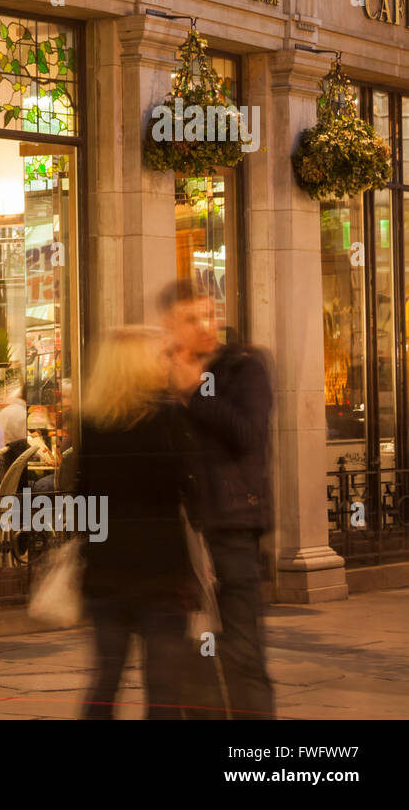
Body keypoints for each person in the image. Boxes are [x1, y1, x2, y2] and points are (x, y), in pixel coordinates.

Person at [160, 279, 276, 719]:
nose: (205, 324)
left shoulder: (243, 366)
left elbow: (246, 435)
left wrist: (195, 391)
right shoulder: (165, 371)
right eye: (191, 318)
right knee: (193, 655)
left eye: (210, 313)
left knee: (243, 651)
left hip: (233, 525)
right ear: (171, 325)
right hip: (183, 532)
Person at [77, 326, 204, 720]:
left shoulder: (93, 424)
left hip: (106, 572)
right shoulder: (168, 419)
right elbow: (193, 490)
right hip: (161, 572)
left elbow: (84, 502)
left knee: (106, 677)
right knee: (164, 685)